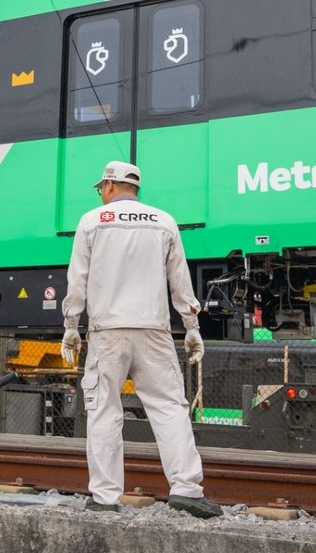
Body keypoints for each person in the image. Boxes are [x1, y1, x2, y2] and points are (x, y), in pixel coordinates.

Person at [61, 160, 220, 518]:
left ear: (112, 185)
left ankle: (104, 497)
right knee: (169, 408)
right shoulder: (164, 221)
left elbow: (77, 280)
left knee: (103, 411)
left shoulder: (91, 222)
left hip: (107, 333)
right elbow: (180, 279)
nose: (101, 193)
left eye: (101, 187)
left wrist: (71, 324)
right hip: (154, 332)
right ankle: (187, 490)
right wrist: (191, 327)